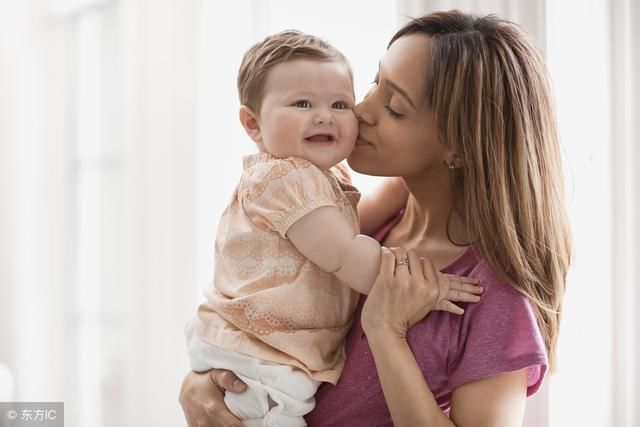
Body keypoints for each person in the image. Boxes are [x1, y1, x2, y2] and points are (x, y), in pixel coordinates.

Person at [180, 10, 571, 427]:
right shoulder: (364, 222)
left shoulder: (489, 294)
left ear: (459, 147)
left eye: (395, 107)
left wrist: (387, 333)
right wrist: (199, 384)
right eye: (374, 82)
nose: (360, 110)